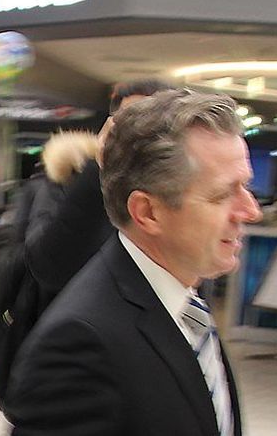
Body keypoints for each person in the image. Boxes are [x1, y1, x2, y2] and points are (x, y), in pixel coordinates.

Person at [5, 89, 260, 435]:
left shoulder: (185, 304)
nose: (250, 211)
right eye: (221, 195)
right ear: (148, 212)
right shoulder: (81, 344)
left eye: (245, 187)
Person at [25, 78, 173, 300]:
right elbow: (48, 268)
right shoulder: (70, 174)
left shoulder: (179, 190)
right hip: (78, 320)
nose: (138, 134)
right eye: (130, 120)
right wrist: (99, 168)